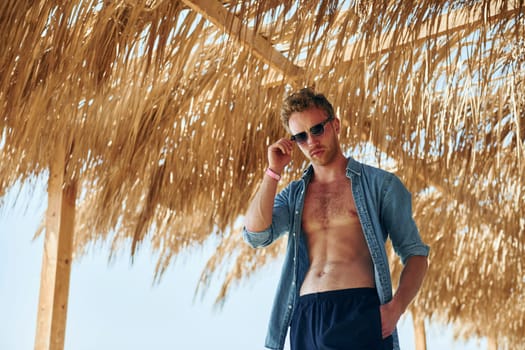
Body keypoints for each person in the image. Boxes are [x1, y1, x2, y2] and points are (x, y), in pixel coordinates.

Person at [243, 88, 430, 350]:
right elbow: (256, 234)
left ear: (335, 125)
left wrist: (395, 309)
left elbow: (416, 254)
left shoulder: (381, 185)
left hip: (357, 310)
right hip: (306, 315)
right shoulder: (295, 194)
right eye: (301, 136)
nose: (311, 141)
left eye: (317, 129)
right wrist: (273, 171)